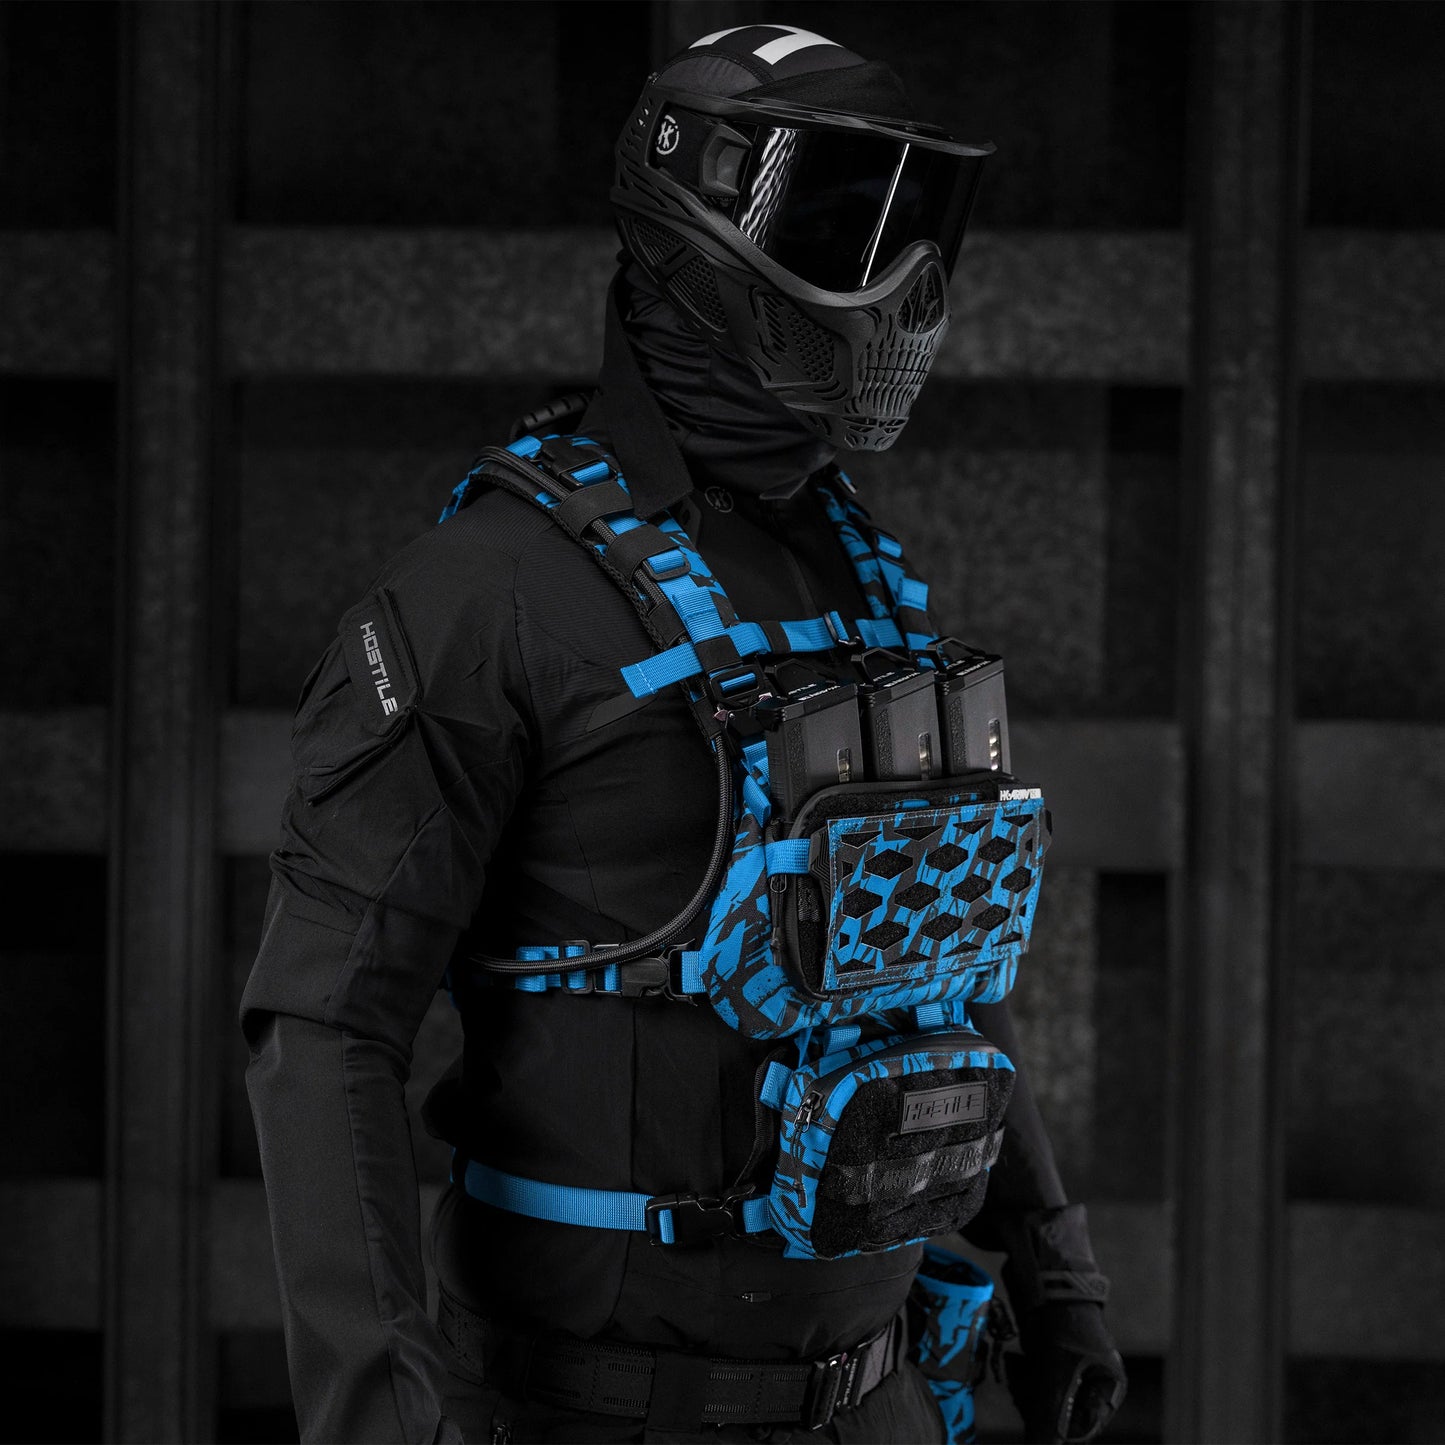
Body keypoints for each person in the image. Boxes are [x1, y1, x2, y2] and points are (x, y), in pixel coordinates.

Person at [243, 24, 1127, 1445]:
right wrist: (374, 1422)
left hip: (881, 1399)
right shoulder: (487, 598)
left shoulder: (856, 572)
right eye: (844, 229)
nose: (904, 285)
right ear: (696, 236)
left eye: (920, 230)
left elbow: (921, 950)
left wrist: (1051, 1260)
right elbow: (324, 1025)